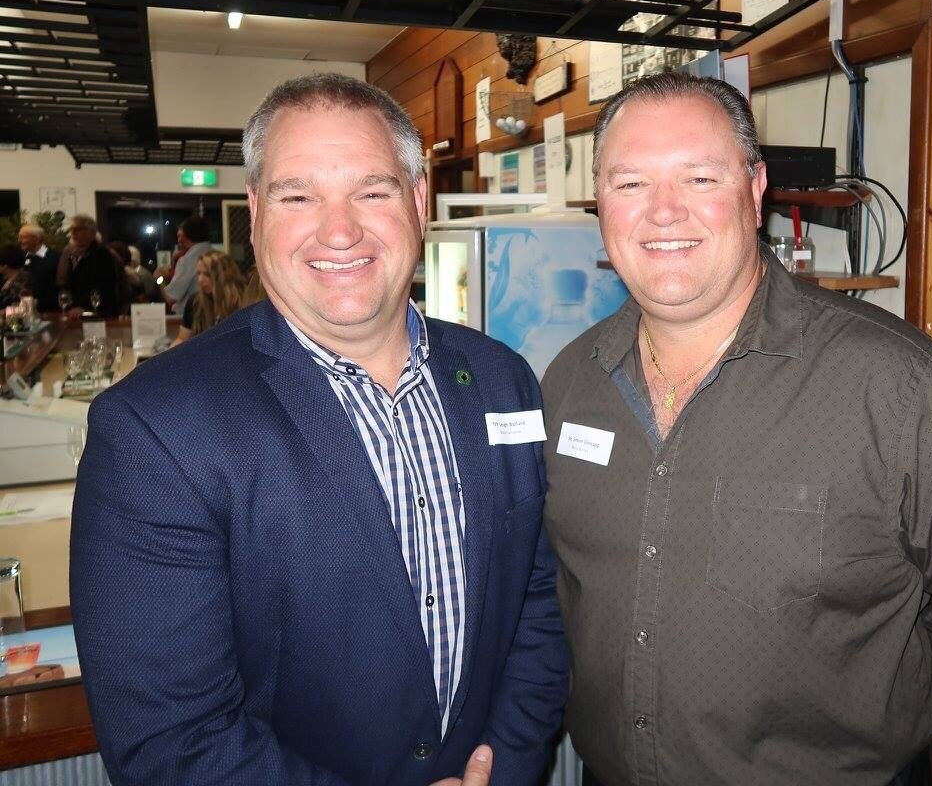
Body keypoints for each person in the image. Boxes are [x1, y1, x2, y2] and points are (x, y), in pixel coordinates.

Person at [540, 73, 932, 786]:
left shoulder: (901, 386)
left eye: (699, 177)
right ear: (600, 200)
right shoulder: (569, 382)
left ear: (755, 189)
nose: (663, 212)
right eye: (630, 183)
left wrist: (881, 706)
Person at [71, 72, 566, 786]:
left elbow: (533, 607)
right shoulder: (154, 431)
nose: (340, 230)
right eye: (297, 195)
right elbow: (171, 743)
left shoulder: (503, 380)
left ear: (418, 201)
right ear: (254, 212)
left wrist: (505, 767)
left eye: (372, 191)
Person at [171, 249, 244, 346]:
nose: (200, 280)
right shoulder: (195, 302)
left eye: (207, 274)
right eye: (198, 274)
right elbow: (182, 338)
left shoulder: (241, 302)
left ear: (223, 275)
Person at [61, 214, 122, 317]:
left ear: (92, 233)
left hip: (98, 312)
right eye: (72, 229)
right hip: (77, 312)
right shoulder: (72, 253)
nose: (73, 233)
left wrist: (85, 308)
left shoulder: (102, 254)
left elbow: (105, 286)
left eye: (79, 229)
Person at [161, 214, 213, 315]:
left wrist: (160, 279)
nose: (178, 240)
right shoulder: (218, 256)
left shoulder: (187, 260)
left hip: (192, 317)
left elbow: (171, 297)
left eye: (179, 236)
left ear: (187, 235)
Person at [17, 223, 60, 312]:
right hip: (28, 310)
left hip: (52, 311)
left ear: (36, 238)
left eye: (23, 237)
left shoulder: (55, 258)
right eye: (19, 237)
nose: (19, 240)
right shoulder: (23, 258)